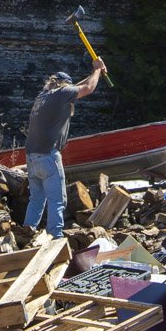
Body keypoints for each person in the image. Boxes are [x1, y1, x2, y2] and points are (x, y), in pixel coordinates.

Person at [22, 56, 106, 237]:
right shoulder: (61, 95)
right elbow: (88, 88)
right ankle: (55, 237)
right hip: (48, 156)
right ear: (63, 86)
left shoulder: (44, 96)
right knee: (58, 200)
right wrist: (98, 69)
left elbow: (76, 87)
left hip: (31, 156)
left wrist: (93, 73)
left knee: (36, 199)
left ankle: (26, 232)